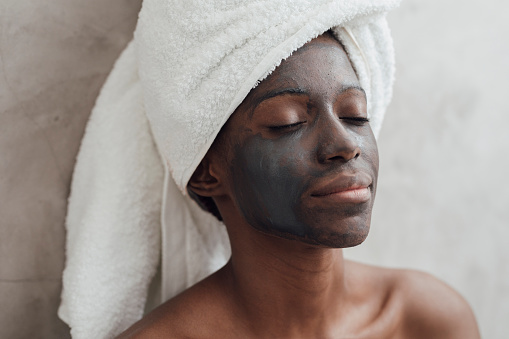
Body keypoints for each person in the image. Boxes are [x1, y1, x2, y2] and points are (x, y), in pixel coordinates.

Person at [117, 32, 480, 339]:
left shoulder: (426, 320)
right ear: (206, 172)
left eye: (355, 115)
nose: (346, 145)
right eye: (286, 122)